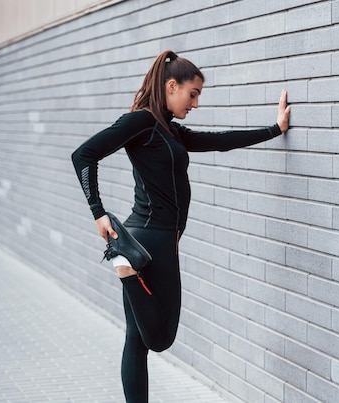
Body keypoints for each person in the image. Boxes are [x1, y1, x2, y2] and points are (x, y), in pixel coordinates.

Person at [71, 50, 290, 402]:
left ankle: (127, 267)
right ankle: (127, 270)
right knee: (161, 337)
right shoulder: (140, 122)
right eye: (193, 94)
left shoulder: (168, 129)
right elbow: (83, 154)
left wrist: (273, 129)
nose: (196, 103)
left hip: (142, 238)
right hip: (153, 241)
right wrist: (97, 211)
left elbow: (219, 141)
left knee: (136, 340)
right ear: (172, 86)